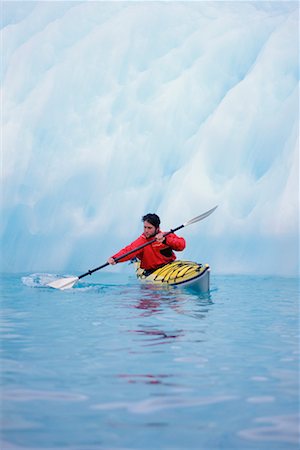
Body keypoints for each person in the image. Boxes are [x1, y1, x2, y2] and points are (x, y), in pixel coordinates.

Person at [107, 213, 186, 274]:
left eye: (149, 228)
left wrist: (165, 240)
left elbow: (182, 245)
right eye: (145, 227)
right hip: (152, 272)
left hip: (170, 267)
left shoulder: (166, 235)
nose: (146, 230)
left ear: (157, 228)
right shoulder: (142, 241)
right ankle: (135, 259)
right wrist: (115, 258)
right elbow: (128, 250)